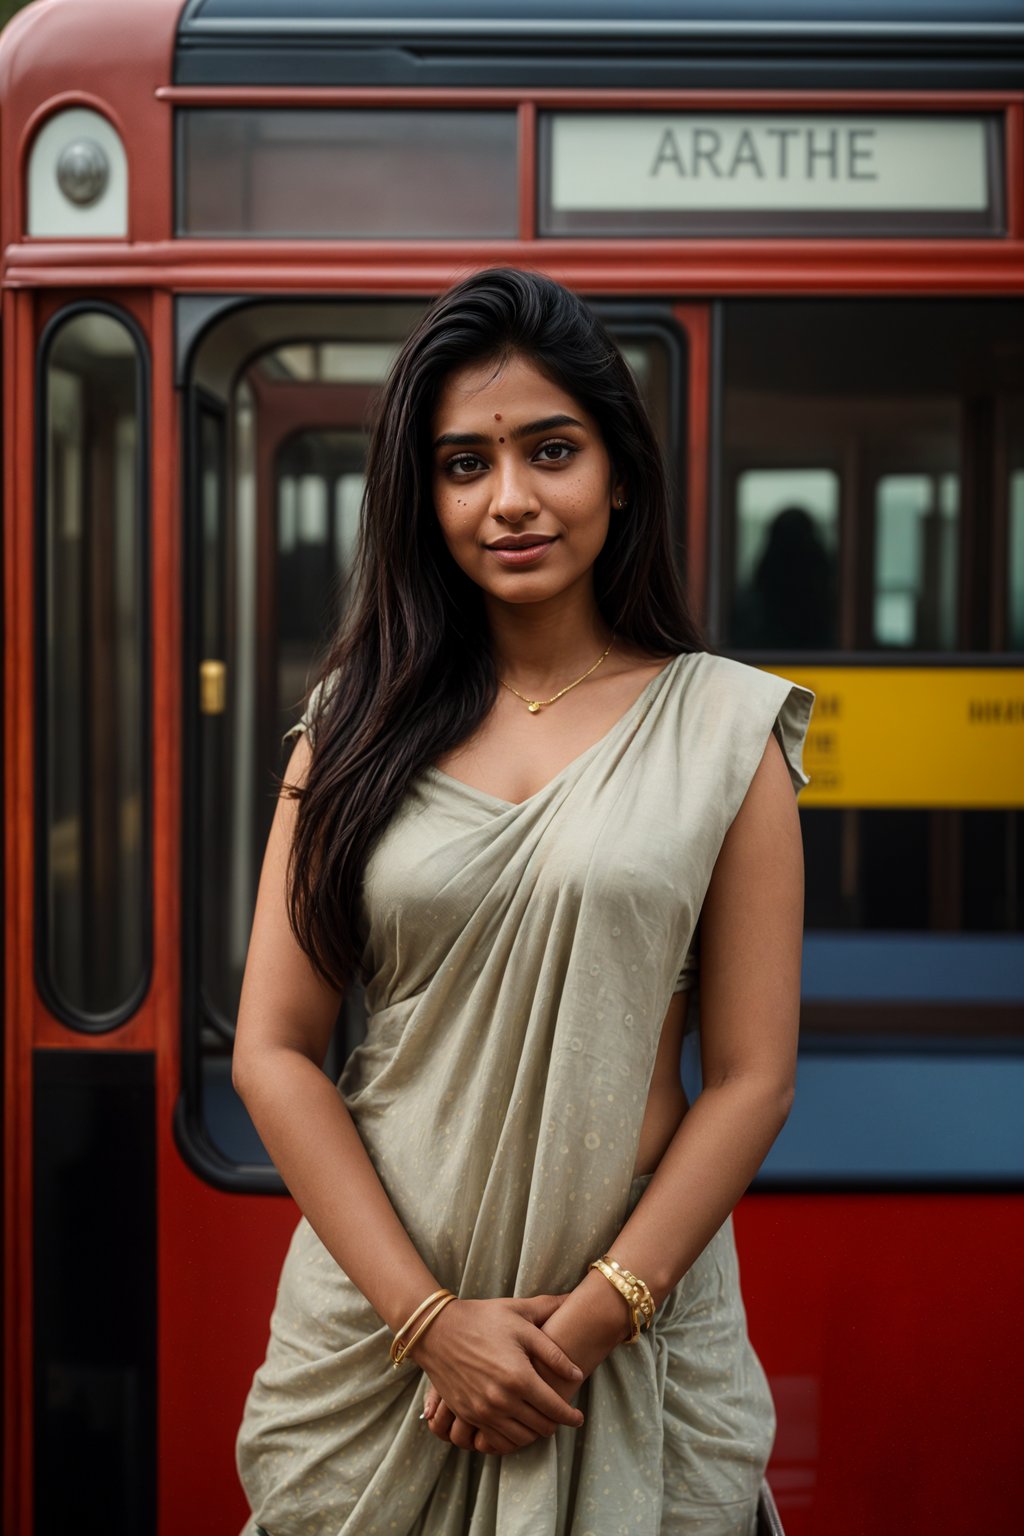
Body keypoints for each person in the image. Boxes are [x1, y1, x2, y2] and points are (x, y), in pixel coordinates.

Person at [233, 267, 815, 1536]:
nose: (509, 500)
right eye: (461, 464)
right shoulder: (350, 731)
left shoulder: (723, 729)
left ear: (618, 471)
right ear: (421, 495)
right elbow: (274, 1051)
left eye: (551, 451)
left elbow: (753, 1076)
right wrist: (431, 1326)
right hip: (380, 1355)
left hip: (625, 1347)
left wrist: (588, 1325)